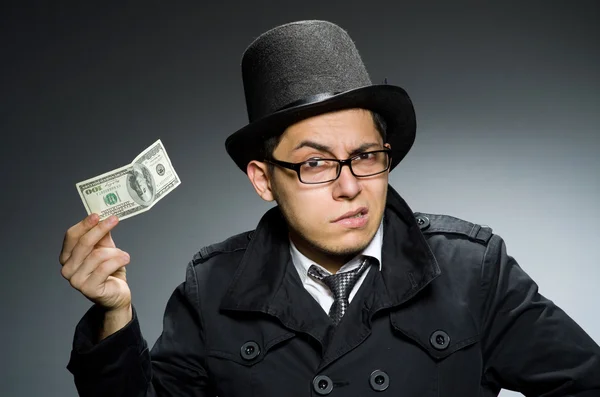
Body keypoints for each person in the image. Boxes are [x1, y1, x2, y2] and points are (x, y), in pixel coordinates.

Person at [60, 20, 600, 396]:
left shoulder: (474, 269)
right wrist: (114, 316)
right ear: (263, 179)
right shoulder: (212, 289)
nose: (349, 187)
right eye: (315, 165)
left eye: (365, 156)